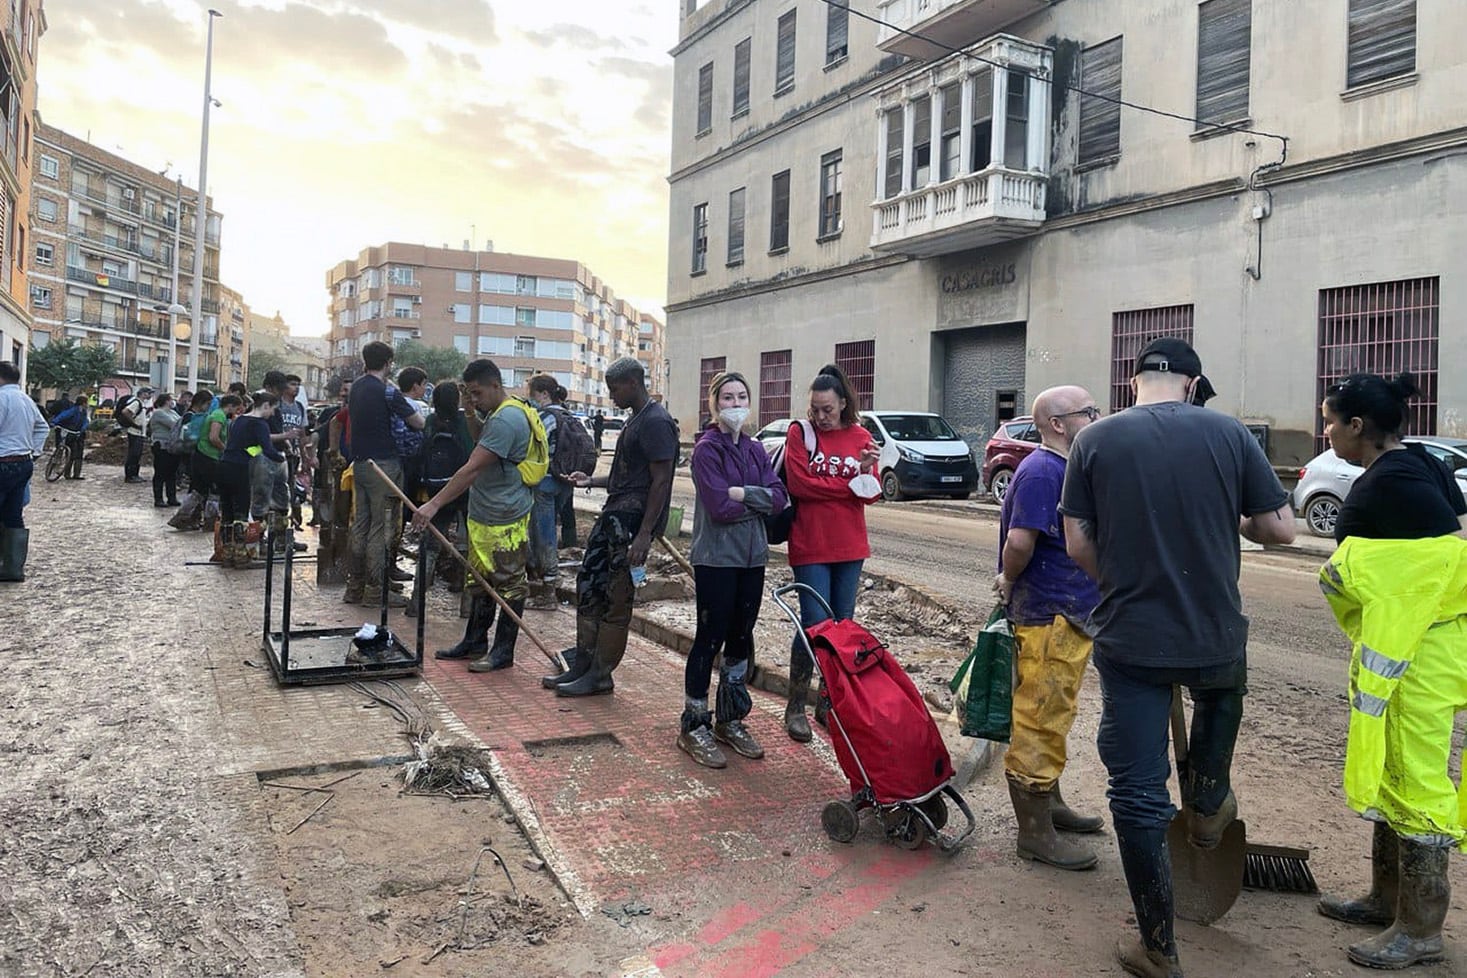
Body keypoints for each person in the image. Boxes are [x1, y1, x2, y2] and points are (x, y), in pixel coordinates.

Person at [1058, 338, 1294, 978]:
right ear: (1193, 383)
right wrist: (1235, 523)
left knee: (1135, 792)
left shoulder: (1094, 441)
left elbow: (1077, 538)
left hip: (1131, 639)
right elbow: (1280, 529)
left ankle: (1158, 946)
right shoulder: (1230, 434)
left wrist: (1121, 582)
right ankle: (1210, 804)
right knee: (1220, 703)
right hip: (1215, 634)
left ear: (1134, 382)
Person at [1314, 372, 1467, 971]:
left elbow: (1356, 569)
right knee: (1390, 771)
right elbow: (1452, 537)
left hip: (1416, 659)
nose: (1325, 431)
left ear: (1358, 427)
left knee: (1414, 778)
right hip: (1433, 642)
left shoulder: (1383, 486)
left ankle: (1421, 928)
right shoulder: (1419, 463)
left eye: (1329, 420)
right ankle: (1386, 898)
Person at [993, 386, 1105, 870]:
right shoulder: (1042, 471)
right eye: (1088, 412)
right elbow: (1020, 542)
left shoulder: (1065, 469)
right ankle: (1034, 832)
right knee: (1039, 717)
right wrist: (1007, 578)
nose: (1096, 417)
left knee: (1054, 712)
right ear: (1058, 424)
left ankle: (1050, 803)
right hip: (1046, 616)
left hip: (1066, 613)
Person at [544, 358, 678, 697]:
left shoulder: (656, 422)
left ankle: (601, 674)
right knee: (590, 587)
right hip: (614, 516)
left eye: (614, 389)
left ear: (633, 383)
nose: (611, 396)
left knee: (616, 597)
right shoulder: (637, 419)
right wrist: (591, 479)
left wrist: (645, 534)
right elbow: (626, 477)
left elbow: (660, 482)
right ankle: (584, 665)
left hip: (630, 525)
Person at [678, 371, 787, 768]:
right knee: (710, 638)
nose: (736, 404)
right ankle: (694, 723)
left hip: (753, 557)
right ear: (714, 404)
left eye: (742, 397)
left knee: (742, 636)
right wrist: (754, 500)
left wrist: (744, 494)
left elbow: (779, 498)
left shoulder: (757, 449)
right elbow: (720, 509)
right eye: (727, 398)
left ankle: (730, 717)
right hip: (716, 559)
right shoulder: (707, 450)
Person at [412, 359, 535, 672]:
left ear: (496, 385)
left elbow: (472, 467)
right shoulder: (494, 414)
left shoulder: (508, 419)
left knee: (509, 584)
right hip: (485, 512)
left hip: (505, 516)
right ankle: (475, 641)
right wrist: (469, 412)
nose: (474, 399)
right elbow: (482, 439)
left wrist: (433, 504)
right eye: (470, 394)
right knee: (479, 581)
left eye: (477, 393)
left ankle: (502, 651)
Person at [781, 363, 881, 742]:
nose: (821, 417)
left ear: (842, 403)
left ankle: (828, 702)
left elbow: (871, 493)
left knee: (843, 626)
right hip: (810, 544)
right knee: (812, 626)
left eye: (828, 409)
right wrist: (847, 483)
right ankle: (795, 706)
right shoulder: (799, 433)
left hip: (850, 546)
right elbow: (801, 484)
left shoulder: (860, 435)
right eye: (815, 409)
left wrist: (865, 471)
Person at [345, 342, 424, 608]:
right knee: (382, 528)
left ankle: (354, 587)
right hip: (384, 467)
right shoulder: (388, 392)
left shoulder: (355, 387)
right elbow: (418, 422)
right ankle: (375, 591)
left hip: (360, 464)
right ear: (389, 361)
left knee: (361, 525)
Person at [410, 380, 473, 606]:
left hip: (436, 487)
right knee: (468, 545)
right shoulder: (465, 421)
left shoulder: (430, 421)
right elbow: (471, 452)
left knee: (430, 544)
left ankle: (416, 602)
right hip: (464, 488)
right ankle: (467, 604)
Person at [216, 391, 283, 569]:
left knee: (227, 512)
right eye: (273, 409)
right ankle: (241, 555)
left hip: (224, 466)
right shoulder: (260, 424)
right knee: (241, 513)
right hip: (239, 469)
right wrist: (282, 458)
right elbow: (269, 450)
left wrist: (256, 450)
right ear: (266, 405)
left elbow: (245, 448)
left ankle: (227, 554)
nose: (273, 414)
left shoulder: (239, 420)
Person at [0, 361, 51, 582]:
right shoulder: (26, 399)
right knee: (13, 514)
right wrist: (35, 451)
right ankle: (13, 568)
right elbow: (43, 427)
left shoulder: (2, 398)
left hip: (2, 462)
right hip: (23, 463)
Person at [524, 374, 564, 610]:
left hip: (543, 482)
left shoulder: (546, 417)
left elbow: (531, 448)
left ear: (544, 394)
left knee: (542, 534)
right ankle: (543, 582)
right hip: (562, 482)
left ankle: (548, 593)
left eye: (534, 394)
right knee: (547, 531)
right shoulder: (567, 415)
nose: (532, 399)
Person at [549, 385, 585, 548]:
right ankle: (570, 542)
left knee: (549, 511)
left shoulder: (550, 416)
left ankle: (550, 548)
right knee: (567, 507)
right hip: (571, 469)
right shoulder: (570, 416)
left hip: (554, 470)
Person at [279, 374, 309, 530]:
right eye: (292, 384)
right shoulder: (277, 405)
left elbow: (303, 434)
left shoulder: (299, 407)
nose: (296, 387)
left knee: (291, 490)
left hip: (293, 455)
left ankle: (290, 526)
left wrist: (305, 459)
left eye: (298, 384)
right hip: (277, 453)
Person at [146, 393, 182, 508]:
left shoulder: (173, 412)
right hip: (161, 446)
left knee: (172, 473)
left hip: (172, 446)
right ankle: (159, 499)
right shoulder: (158, 413)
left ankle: (172, 497)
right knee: (161, 473)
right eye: (171, 399)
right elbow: (175, 424)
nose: (173, 401)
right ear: (166, 401)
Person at [50, 395, 89, 480]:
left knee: (79, 454)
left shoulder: (84, 412)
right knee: (71, 453)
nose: (87, 404)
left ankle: (77, 474)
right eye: (87, 403)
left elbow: (85, 421)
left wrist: (83, 429)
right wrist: (54, 422)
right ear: (83, 403)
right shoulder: (73, 410)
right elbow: (63, 416)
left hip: (79, 433)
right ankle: (67, 473)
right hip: (71, 433)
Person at [117, 387, 150, 483]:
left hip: (139, 433)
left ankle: (134, 475)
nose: (150, 395)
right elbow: (125, 412)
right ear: (143, 393)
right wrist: (134, 424)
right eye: (148, 393)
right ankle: (130, 476)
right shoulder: (137, 403)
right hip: (135, 432)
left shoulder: (141, 403)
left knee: (137, 454)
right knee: (134, 454)